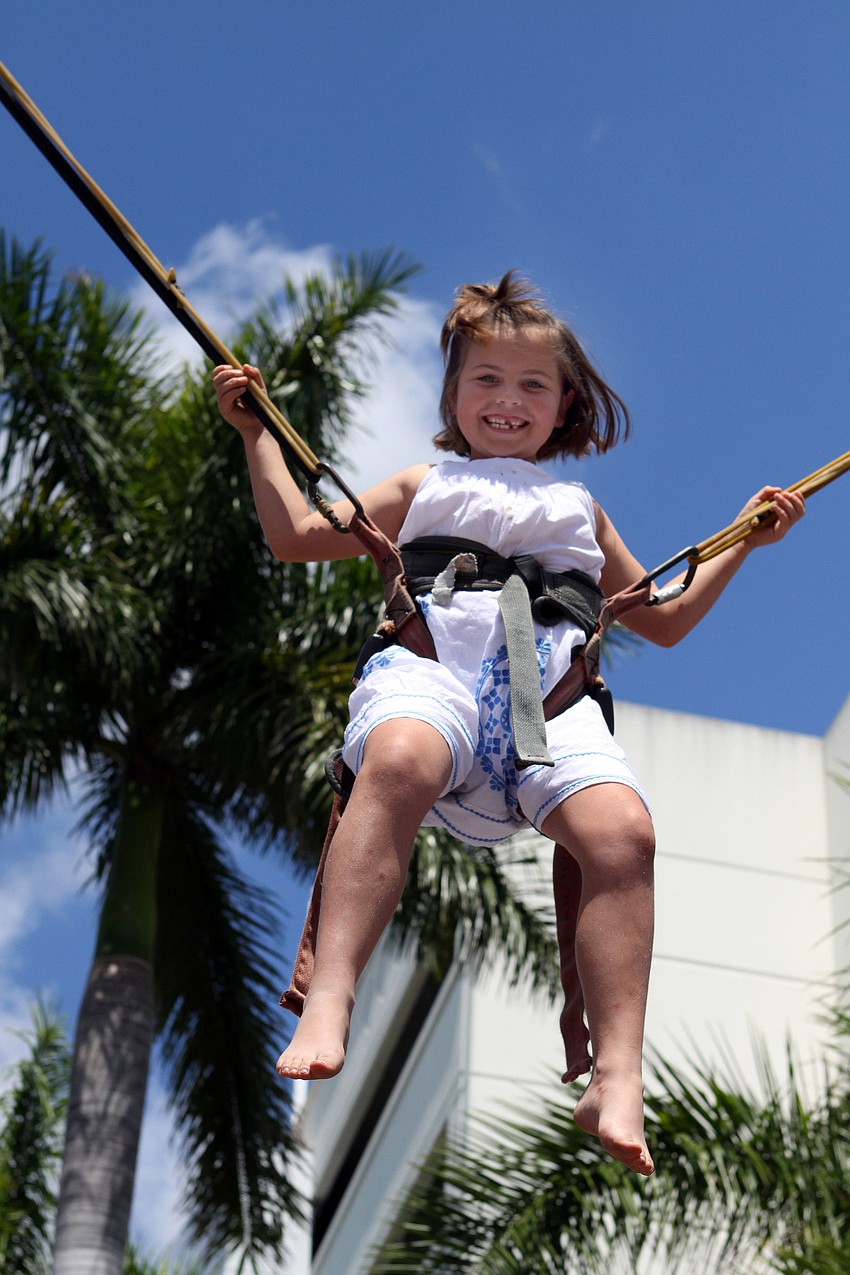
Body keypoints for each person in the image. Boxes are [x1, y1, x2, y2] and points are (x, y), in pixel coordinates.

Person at [213, 272, 805, 1176]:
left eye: (534, 384)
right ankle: (332, 994)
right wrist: (257, 434)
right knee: (401, 757)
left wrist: (741, 544)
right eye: (486, 378)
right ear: (453, 394)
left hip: (550, 705)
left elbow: (666, 618)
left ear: (565, 405)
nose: (508, 399)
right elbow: (295, 532)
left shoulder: (579, 511)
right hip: (433, 677)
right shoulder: (423, 480)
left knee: (624, 833)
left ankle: (615, 1073)